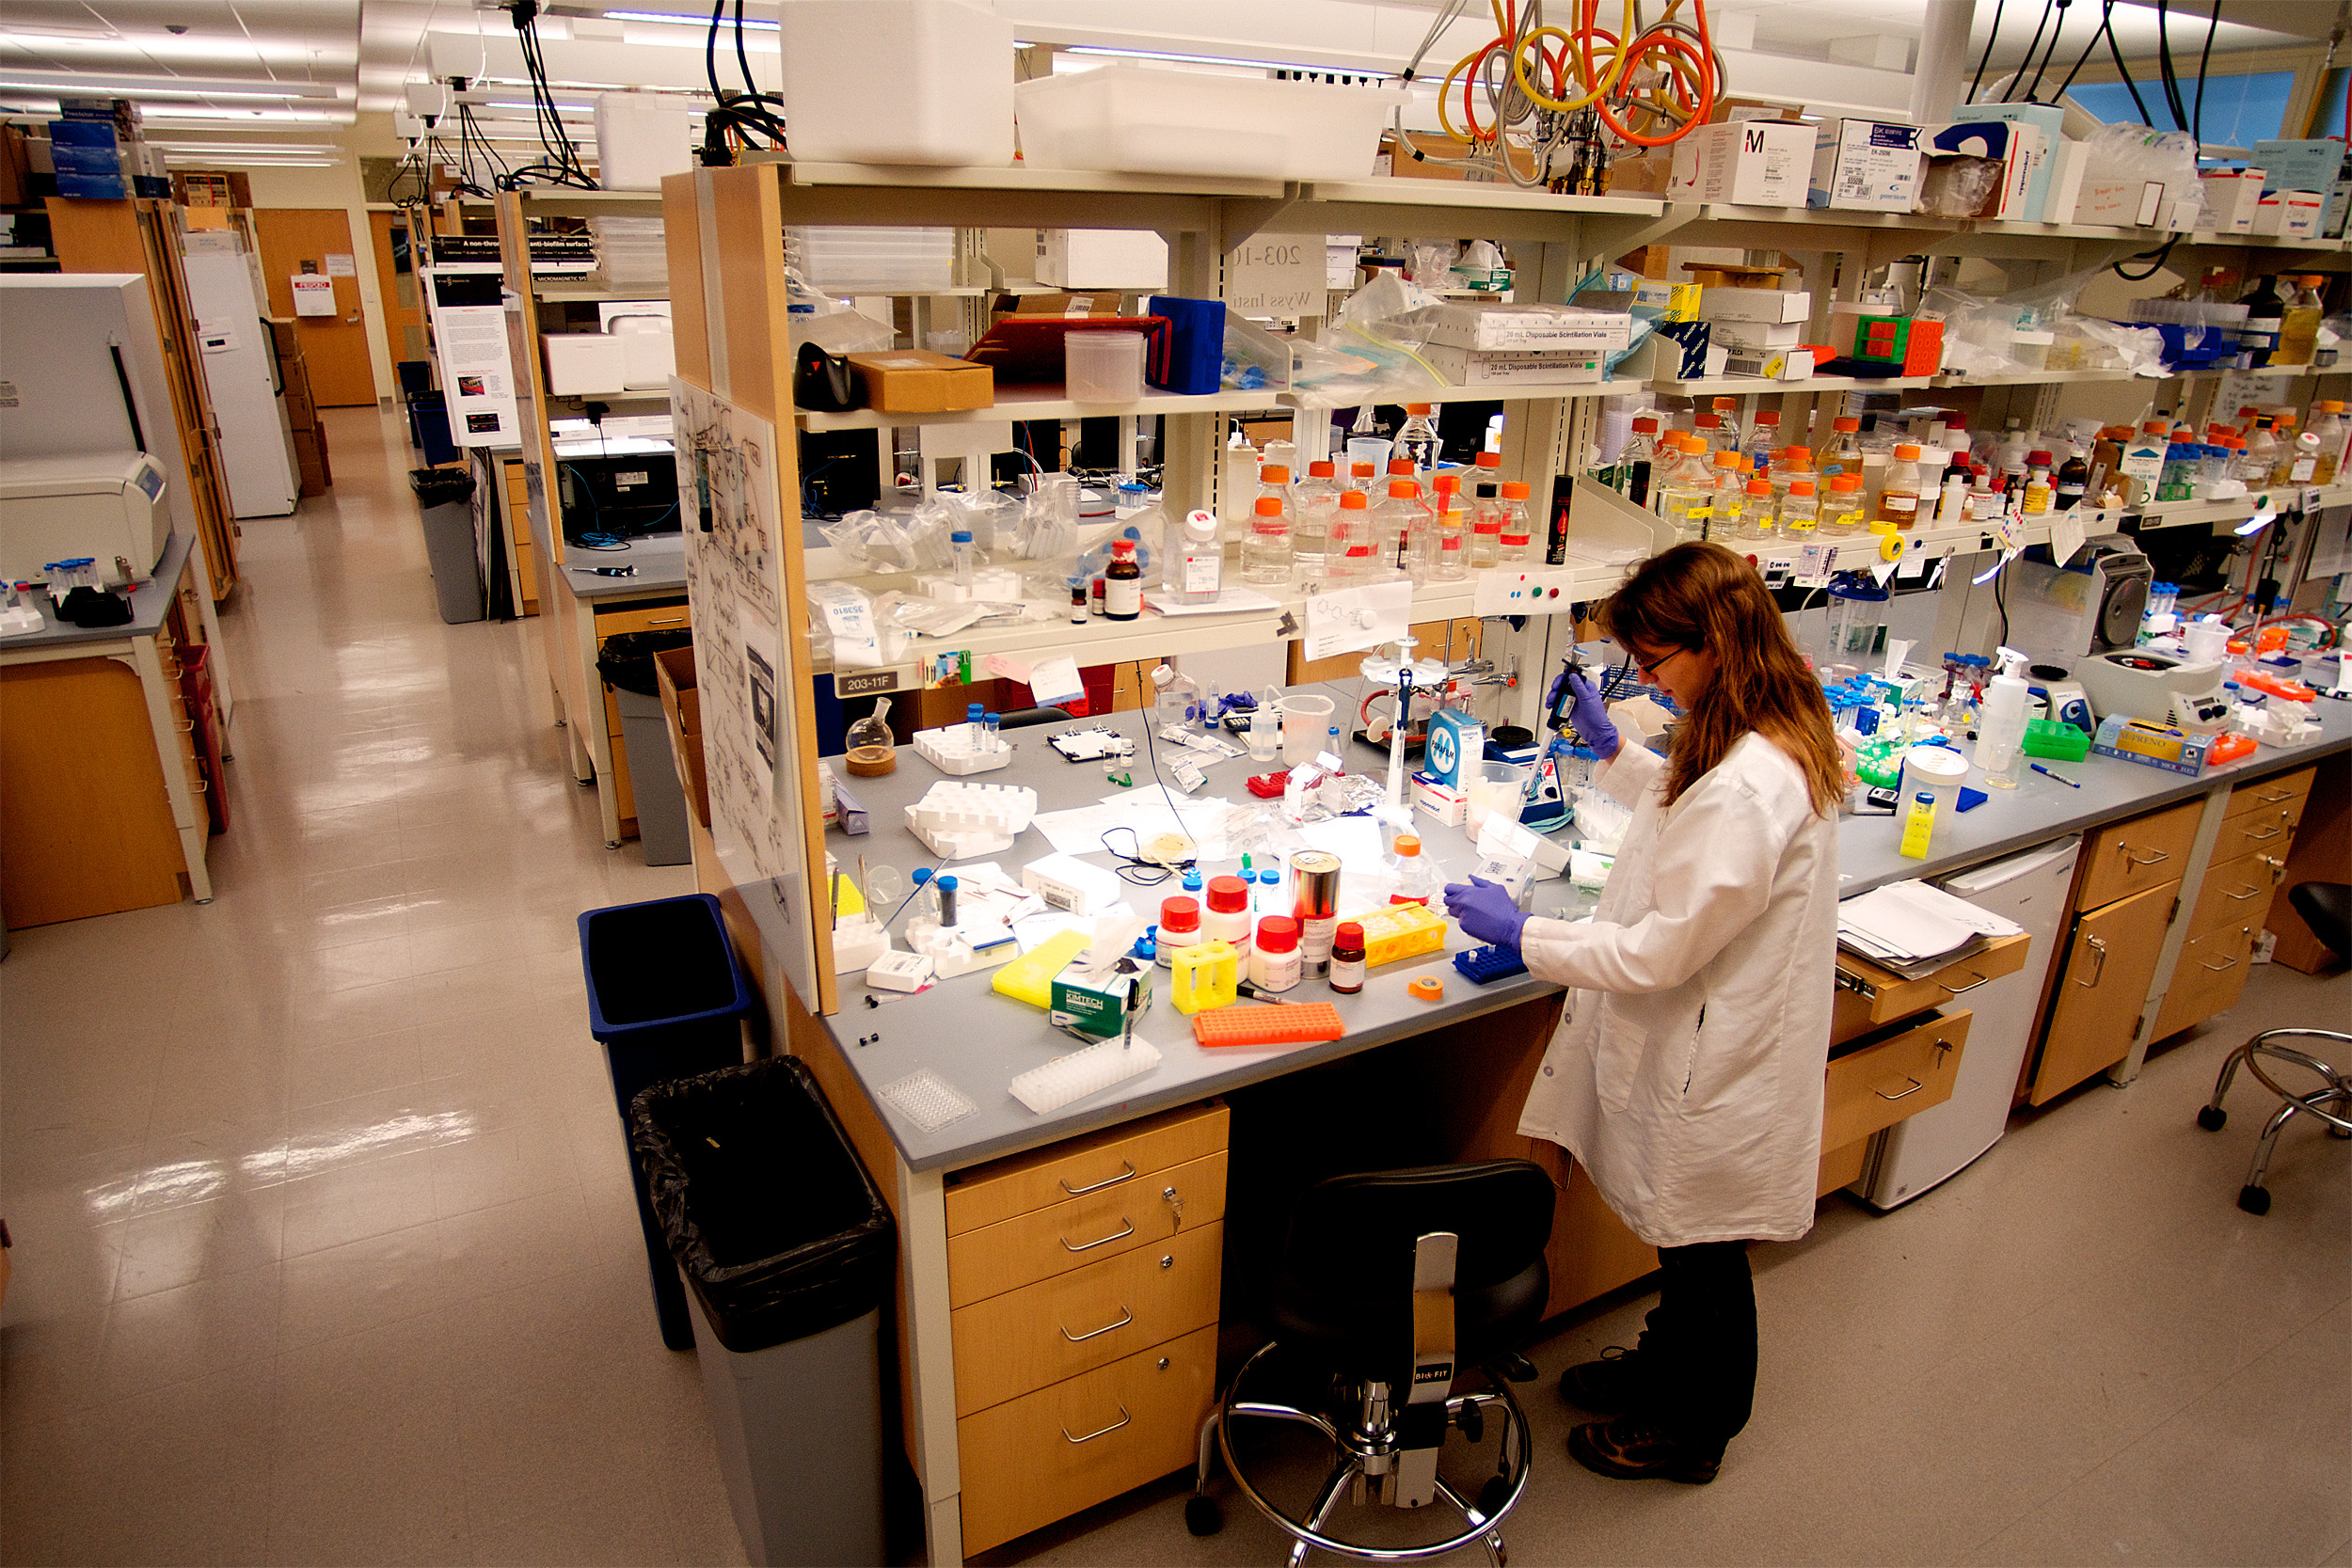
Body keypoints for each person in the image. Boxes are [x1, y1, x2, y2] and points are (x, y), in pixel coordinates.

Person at [1442, 542, 1844, 1485]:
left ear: (1712, 644)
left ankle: (1696, 1425)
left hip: (1719, 1056)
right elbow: (1688, 812)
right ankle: (1668, 1368)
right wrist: (1619, 752)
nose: (1649, 681)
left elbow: (1660, 948)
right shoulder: (1755, 722)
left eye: (1656, 663)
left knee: (1704, 1254)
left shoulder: (1752, 775)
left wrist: (1529, 930)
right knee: (1685, 1243)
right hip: (1715, 1033)